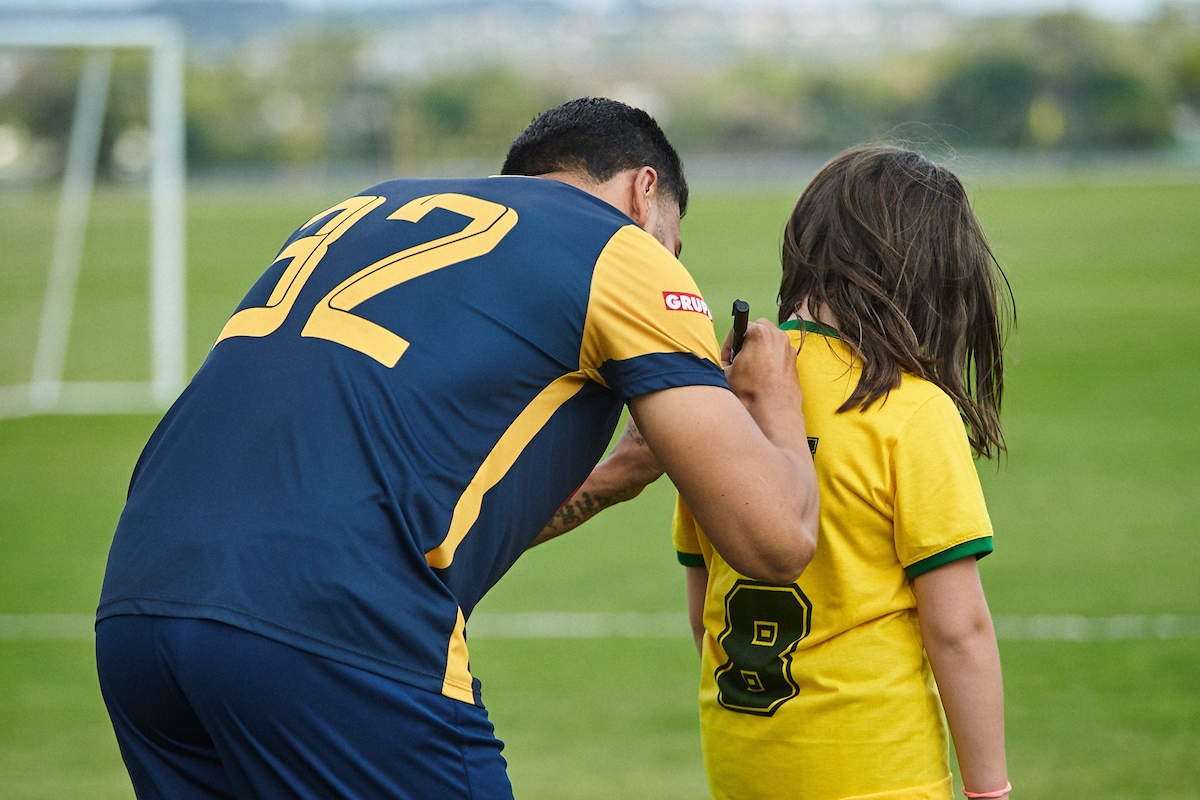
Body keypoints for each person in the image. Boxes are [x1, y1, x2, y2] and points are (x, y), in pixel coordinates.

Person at [94, 97, 818, 800]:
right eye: (672, 241)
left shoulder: (360, 209)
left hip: (138, 615)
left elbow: (409, 492)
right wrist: (776, 392)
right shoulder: (617, 246)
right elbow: (776, 541)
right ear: (642, 191)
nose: (668, 259)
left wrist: (623, 472)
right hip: (336, 628)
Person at [547, 144, 1014, 799]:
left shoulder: (718, 394)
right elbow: (958, 628)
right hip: (878, 772)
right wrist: (990, 791)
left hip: (745, 766)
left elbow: (701, 607)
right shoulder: (909, 409)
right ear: (934, 273)